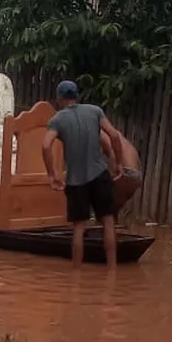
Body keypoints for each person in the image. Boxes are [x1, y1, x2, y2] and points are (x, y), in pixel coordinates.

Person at [41, 80, 124, 268]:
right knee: (108, 222)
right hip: (100, 174)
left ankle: (76, 276)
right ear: (77, 95)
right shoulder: (95, 111)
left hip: (76, 181)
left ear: (59, 99)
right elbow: (114, 136)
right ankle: (112, 272)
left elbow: (46, 145)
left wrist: (52, 174)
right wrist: (118, 164)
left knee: (79, 227)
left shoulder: (57, 120)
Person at [109, 128, 143, 217]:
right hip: (136, 175)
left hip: (126, 173)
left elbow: (112, 152)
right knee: (113, 207)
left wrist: (114, 172)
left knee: (104, 206)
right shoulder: (122, 138)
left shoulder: (102, 132)